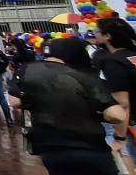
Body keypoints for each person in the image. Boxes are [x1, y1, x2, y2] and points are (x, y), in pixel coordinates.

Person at [9, 37, 126, 175]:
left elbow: (15, 102)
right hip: (91, 147)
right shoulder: (87, 76)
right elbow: (117, 115)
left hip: (51, 149)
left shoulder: (26, 70)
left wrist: (42, 101)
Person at [93, 18, 136, 164]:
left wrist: (120, 138)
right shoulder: (133, 55)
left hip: (133, 123)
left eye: (97, 31)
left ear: (107, 36)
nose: (94, 34)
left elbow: (122, 103)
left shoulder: (114, 62)